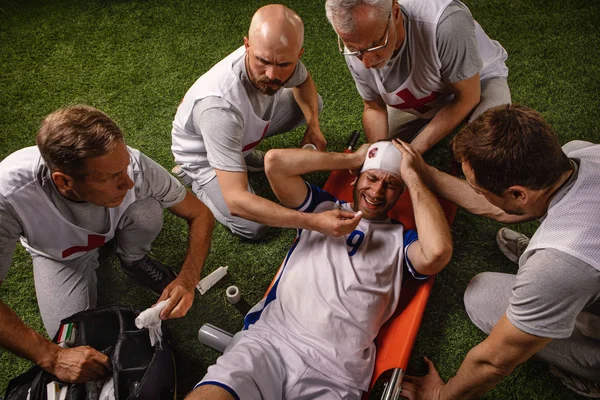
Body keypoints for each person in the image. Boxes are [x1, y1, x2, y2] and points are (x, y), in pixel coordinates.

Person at [185, 140, 453, 400]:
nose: (377, 191)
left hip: (338, 373)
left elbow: (438, 252)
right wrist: (351, 159)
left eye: (391, 185)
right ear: (355, 179)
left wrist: (413, 176)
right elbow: (274, 163)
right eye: (371, 178)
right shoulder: (321, 208)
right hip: (272, 341)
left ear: (401, 192)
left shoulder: (402, 241)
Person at [397, 104, 600, 399]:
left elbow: (494, 362)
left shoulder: (558, 264)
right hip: (575, 264)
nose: (478, 192)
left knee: (480, 295)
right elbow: (502, 210)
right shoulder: (582, 154)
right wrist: (421, 172)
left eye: (479, 189)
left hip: (567, 269)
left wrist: (440, 395)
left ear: (518, 194)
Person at [0, 105, 214, 384]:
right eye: (110, 177)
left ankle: (133, 258)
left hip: (121, 223)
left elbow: (200, 214)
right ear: (64, 181)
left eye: (123, 167)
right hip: (63, 257)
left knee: (147, 210)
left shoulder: (135, 167)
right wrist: (52, 357)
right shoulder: (9, 194)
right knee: (73, 341)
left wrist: (187, 278)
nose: (127, 182)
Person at [172, 4, 337, 240]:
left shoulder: (279, 55)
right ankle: (196, 181)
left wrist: (313, 126)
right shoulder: (219, 109)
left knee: (313, 105)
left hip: (236, 133)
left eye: (283, 65)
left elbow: (304, 81)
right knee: (253, 228)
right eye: (263, 61)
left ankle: (240, 154)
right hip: (204, 154)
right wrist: (313, 221)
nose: (272, 74)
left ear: (298, 54)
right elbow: (237, 202)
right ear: (247, 45)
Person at [325, 0, 510, 154]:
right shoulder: (358, 45)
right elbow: (374, 106)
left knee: (489, 151)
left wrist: (414, 151)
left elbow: (467, 98)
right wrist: (378, 156)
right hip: (429, 92)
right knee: (388, 147)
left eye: (374, 45)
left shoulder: (447, 24)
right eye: (354, 49)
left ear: (395, 13)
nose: (366, 62)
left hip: (479, 79)